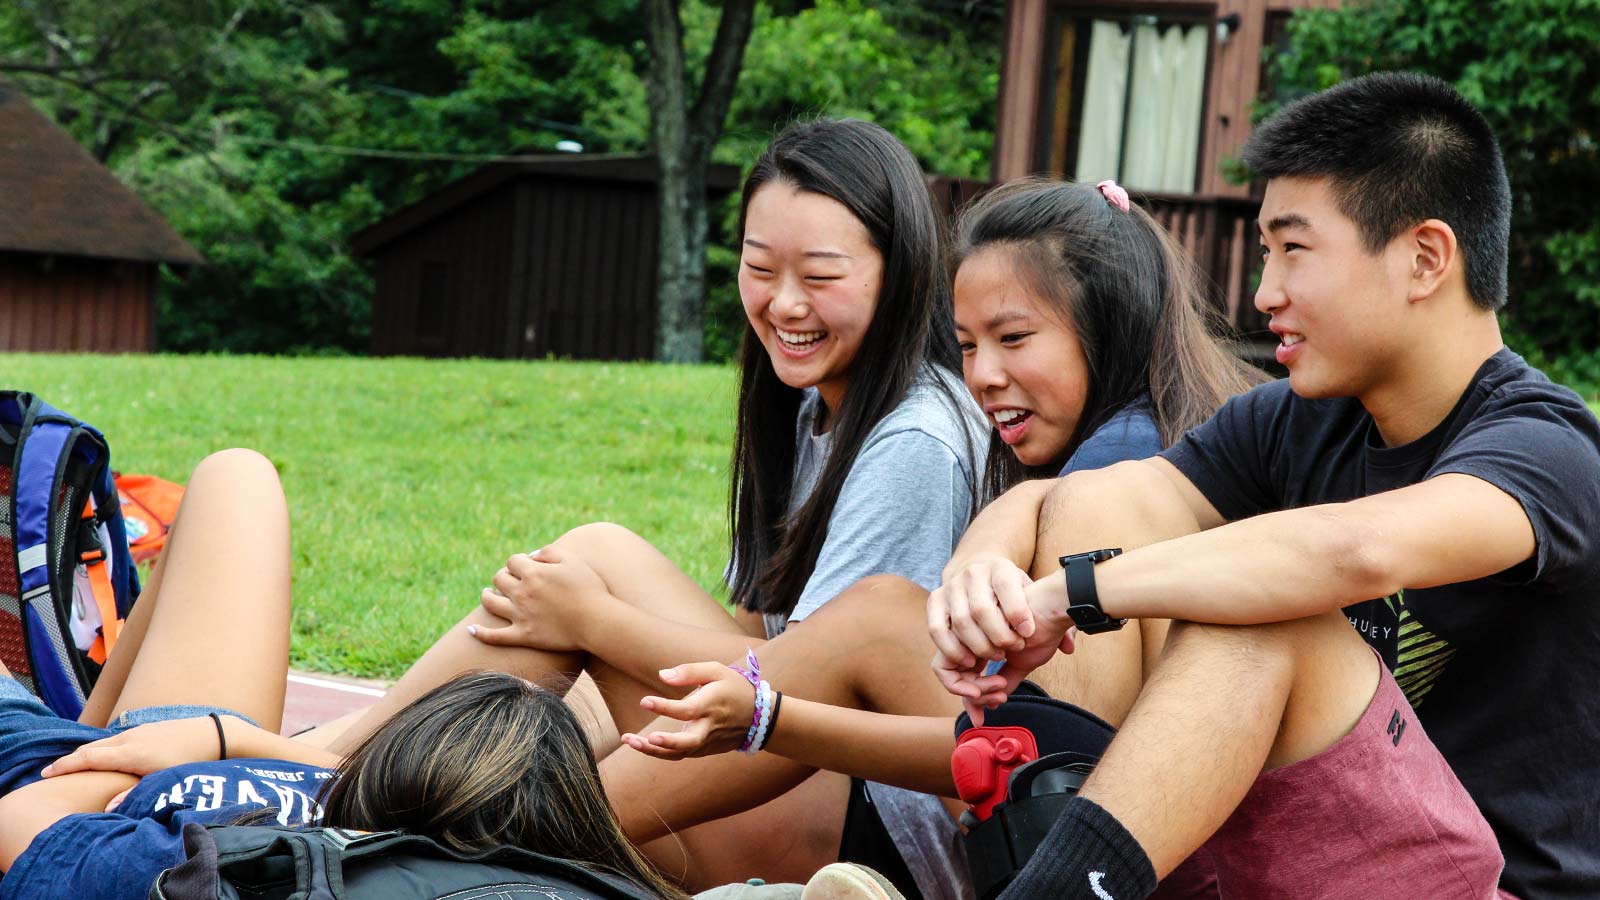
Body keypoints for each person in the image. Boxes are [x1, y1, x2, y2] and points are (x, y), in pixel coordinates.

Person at [927, 72, 1600, 899]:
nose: (1263, 293)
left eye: (1294, 250)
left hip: (1482, 884)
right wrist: (982, 571)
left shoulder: (1547, 450)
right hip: (1294, 862)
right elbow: (1067, 502)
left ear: (1424, 259)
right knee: (1090, 503)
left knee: (1267, 619)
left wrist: (1071, 596)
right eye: (1265, 251)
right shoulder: (1300, 421)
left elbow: (1356, 550)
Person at [314, 118, 987, 888]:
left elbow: (805, 689)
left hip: (866, 830)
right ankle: (325, 766)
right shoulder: (815, 410)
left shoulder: (917, 438)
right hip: (794, 781)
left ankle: (325, 780)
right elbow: (755, 634)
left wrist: (591, 623)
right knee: (581, 622)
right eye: (759, 266)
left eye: (822, 276)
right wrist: (589, 668)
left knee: (595, 567)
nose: (784, 303)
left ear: (899, 272)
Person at [549, 178, 1261, 899]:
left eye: (1013, 339)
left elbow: (1048, 759)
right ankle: (504, 798)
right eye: (968, 346)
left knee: (873, 621)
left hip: (1073, 857)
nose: (982, 376)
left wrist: (749, 705)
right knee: (596, 560)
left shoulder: (1106, 480)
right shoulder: (1131, 448)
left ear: (1107, 326)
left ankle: (531, 823)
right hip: (1039, 819)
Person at [0, 449, 687, 900]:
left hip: (74, 783)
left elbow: (22, 827)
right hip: (168, 760)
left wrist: (202, 746)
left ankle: (76, 723)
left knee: (239, 475)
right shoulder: (585, 879)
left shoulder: (232, 877)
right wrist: (225, 741)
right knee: (236, 477)